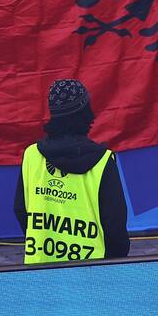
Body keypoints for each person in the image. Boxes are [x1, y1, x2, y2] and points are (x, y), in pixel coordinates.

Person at [15, 78, 129, 264]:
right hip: (92, 270)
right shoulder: (103, 161)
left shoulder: (32, 155)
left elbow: (21, 210)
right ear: (85, 112)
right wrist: (113, 262)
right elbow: (114, 224)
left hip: (40, 266)